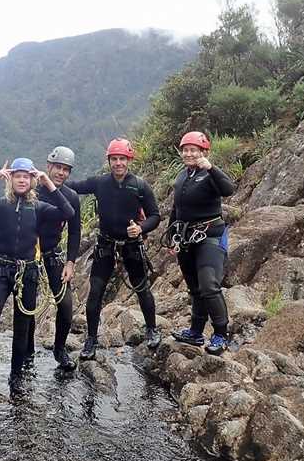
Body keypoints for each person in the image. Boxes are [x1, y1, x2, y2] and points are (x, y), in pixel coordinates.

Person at [0, 158, 74, 397]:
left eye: (26, 176)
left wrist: (47, 181)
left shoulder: (38, 208)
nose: (21, 180)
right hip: (0, 270)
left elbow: (67, 212)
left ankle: (16, 376)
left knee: (21, 328)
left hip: (27, 272)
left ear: (31, 180)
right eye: (17, 175)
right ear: (11, 178)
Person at [66, 138, 161, 361]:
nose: (118, 163)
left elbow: (155, 215)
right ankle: (91, 339)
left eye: (122, 159)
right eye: (114, 159)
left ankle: (151, 329)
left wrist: (141, 227)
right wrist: (46, 181)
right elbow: (74, 187)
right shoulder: (100, 183)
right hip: (106, 245)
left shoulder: (140, 186)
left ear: (129, 160)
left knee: (142, 289)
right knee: (96, 292)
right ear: (109, 160)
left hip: (131, 246)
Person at [167, 131, 235, 355]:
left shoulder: (210, 175)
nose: (188, 154)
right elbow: (177, 208)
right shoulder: (182, 176)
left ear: (203, 152)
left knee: (209, 286)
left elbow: (228, 189)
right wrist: (170, 235)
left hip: (210, 238)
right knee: (195, 289)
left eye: (193, 150)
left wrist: (211, 168)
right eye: (185, 150)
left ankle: (221, 335)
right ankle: (196, 332)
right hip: (187, 239)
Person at [30, 146, 81, 372]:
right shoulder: (32, 190)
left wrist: (70, 262)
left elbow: (75, 231)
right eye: (57, 167)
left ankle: (59, 348)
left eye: (65, 169)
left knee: (66, 305)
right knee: (27, 306)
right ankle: (26, 350)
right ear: (48, 166)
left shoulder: (69, 197)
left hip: (53, 254)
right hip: (28, 255)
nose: (61, 173)